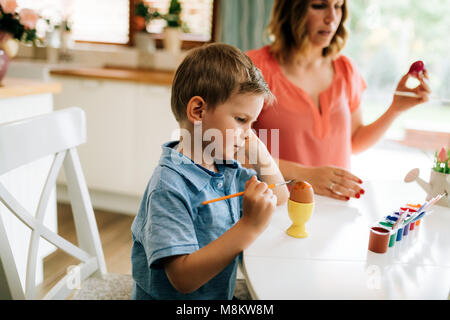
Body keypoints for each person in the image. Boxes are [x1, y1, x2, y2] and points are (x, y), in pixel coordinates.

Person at [130, 43, 289, 300]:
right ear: (198, 111)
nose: (249, 132)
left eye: (253, 123)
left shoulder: (224, 167)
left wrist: (259, 152)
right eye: (240, 120)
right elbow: (182, 278)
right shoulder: (169, 186)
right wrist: (248, 226)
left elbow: (279, 198)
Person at [246, 0, 430, 201]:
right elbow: (227, 150)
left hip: (336, 210)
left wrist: (395, 109)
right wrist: (303, 174)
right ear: (291, 10)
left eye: (338, 6)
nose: (332, 18)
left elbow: (354, 141)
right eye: (319, 6)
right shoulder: (254, 68)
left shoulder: (346, 69)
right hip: (275, 211)